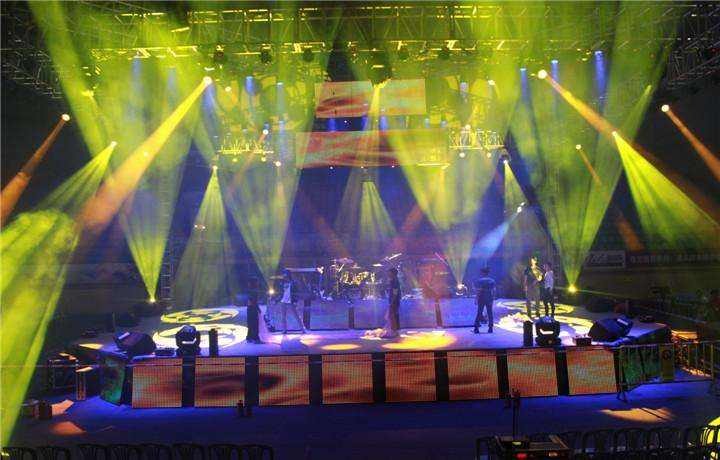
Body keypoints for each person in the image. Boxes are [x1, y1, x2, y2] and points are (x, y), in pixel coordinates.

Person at [280, 270, 306, 334]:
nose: (284, 276)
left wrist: (295, 301)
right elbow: (281, 292)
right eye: (284, 275)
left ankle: (303, 329)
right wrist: (277, 299)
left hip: (291, 301)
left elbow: (296, 293)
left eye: (285, 274)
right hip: (283, 301)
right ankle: (284, 330)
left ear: (288, 275)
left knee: (296, 315)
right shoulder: (282, 283)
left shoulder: (293, 283)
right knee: (283, 316)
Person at [473, 267, 495, 333]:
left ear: (482, 273)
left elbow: (478, 291)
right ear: (488, 273)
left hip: (481, 298)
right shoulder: (492, 280)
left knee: (479, 312)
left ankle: (476, 328)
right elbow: (494, 290)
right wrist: (493, 297)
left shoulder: (479, 281)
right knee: (490, 313)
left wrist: (476, 298)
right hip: (489, 298)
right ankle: (490, 328)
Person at [386, 267, 401, 338]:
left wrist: (392, 301)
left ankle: (395, 331)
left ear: (393, 273)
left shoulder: (394, 281)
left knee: (393, 316)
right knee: (393, 315)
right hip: (394, 300)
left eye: (389, 272)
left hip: (394, 301)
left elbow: (395, 292)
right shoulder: (393, 280)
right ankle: (394, 330)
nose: (388, 274)